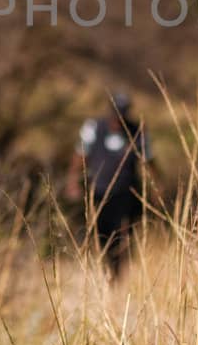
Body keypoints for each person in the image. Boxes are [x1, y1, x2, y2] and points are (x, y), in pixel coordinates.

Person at [65, 91, 151, 277]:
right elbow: (80, 156)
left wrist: (156, 188)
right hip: (100, 194)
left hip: (127, 195)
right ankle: (104, 272)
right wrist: (73, 182)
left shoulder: (138, 131)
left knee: (123, 237)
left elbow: (149, 160)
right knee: (100, 236)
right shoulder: (93, 128)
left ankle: (118, 277)